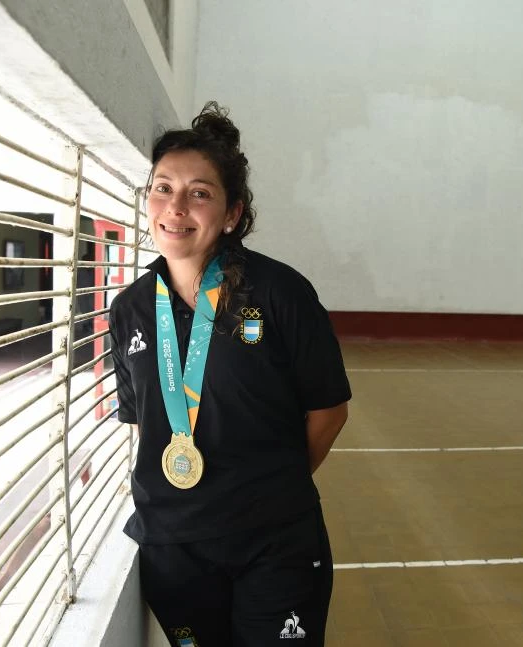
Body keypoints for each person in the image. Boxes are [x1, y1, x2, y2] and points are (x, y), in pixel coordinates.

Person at [109, 102, 351, 647]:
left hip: (275, 540)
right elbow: (149, 425)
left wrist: (272, 486)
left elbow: (330, 409)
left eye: (199, 192)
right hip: (174, 545)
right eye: (162, 188)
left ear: (232, 213)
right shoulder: (129, 310)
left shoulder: (280, 293)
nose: (175, 207)